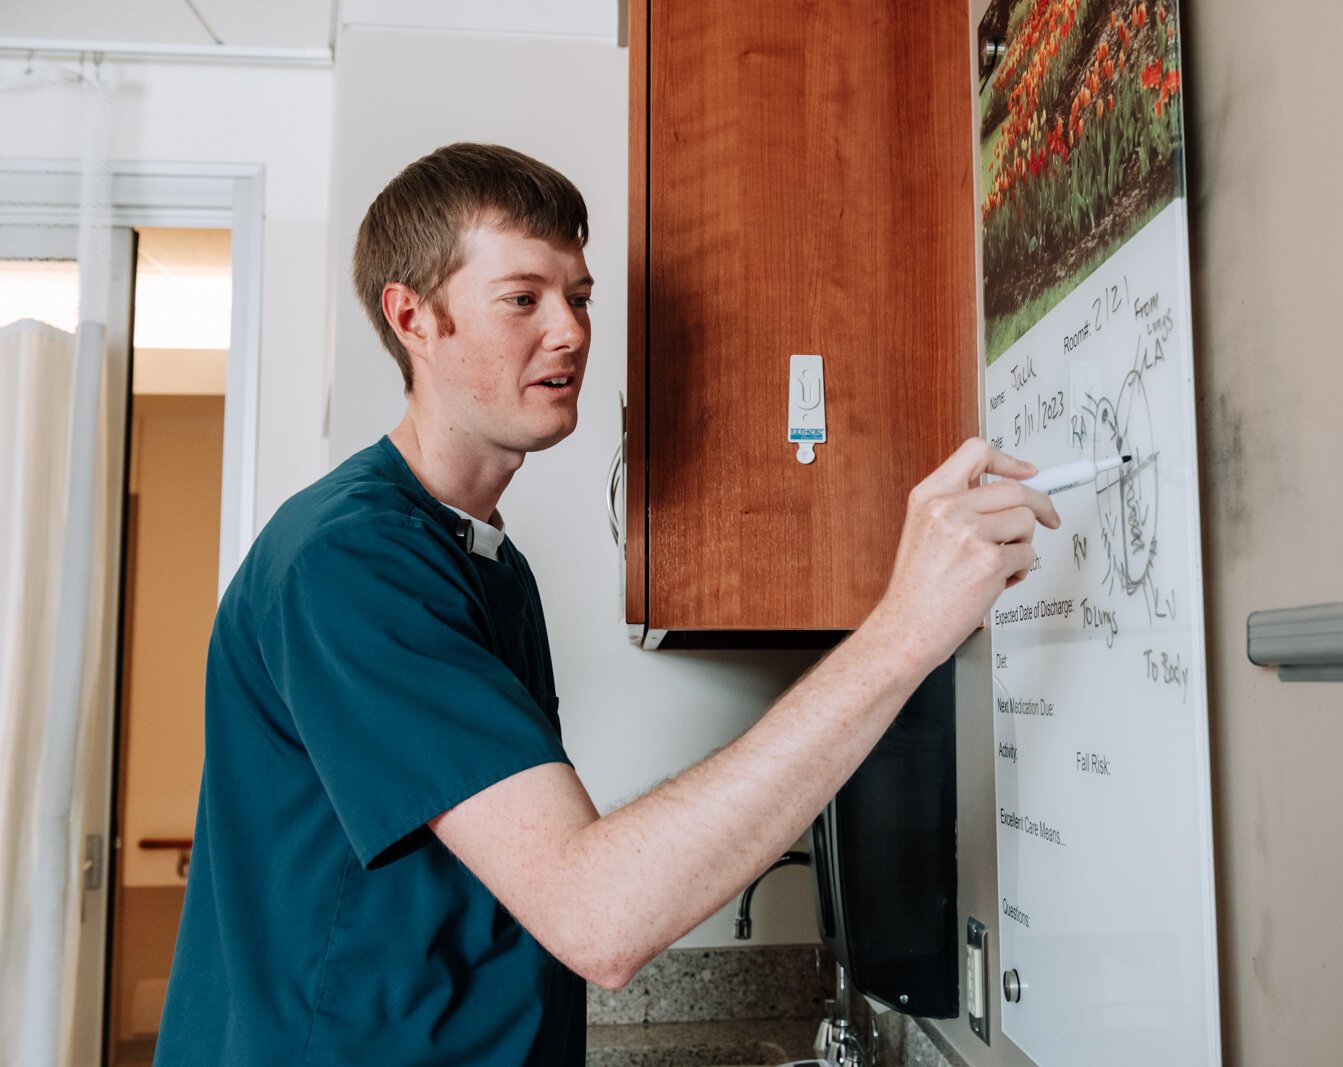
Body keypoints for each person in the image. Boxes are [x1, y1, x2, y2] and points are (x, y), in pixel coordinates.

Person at [154, 142, 1057, 1065]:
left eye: (578, 297)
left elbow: (546, 867)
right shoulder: (350, 564)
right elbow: (598, 915)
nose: (572, 331)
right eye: (523, 298)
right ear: (412, 316)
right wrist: (908, 627)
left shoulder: (482, 558)